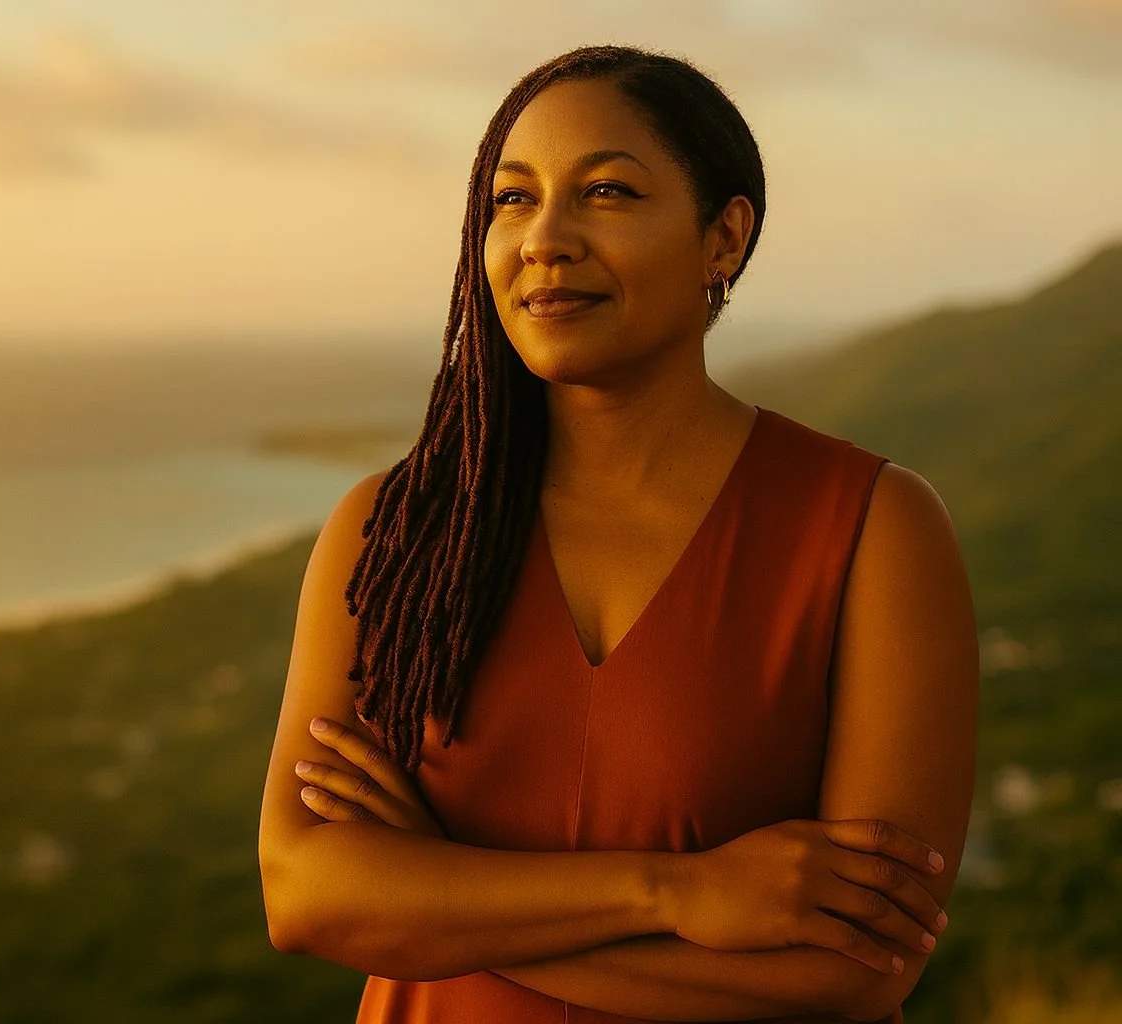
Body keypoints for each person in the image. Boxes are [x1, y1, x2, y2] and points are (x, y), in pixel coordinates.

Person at [257, 43, 978, 1023]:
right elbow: (306, 896)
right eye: (513, 199)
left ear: (724, 238)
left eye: (606, 192)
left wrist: (434, 895)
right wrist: (673, 892)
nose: (545, 239)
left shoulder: (874, 529)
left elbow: (859, 971)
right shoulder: (392, 532)